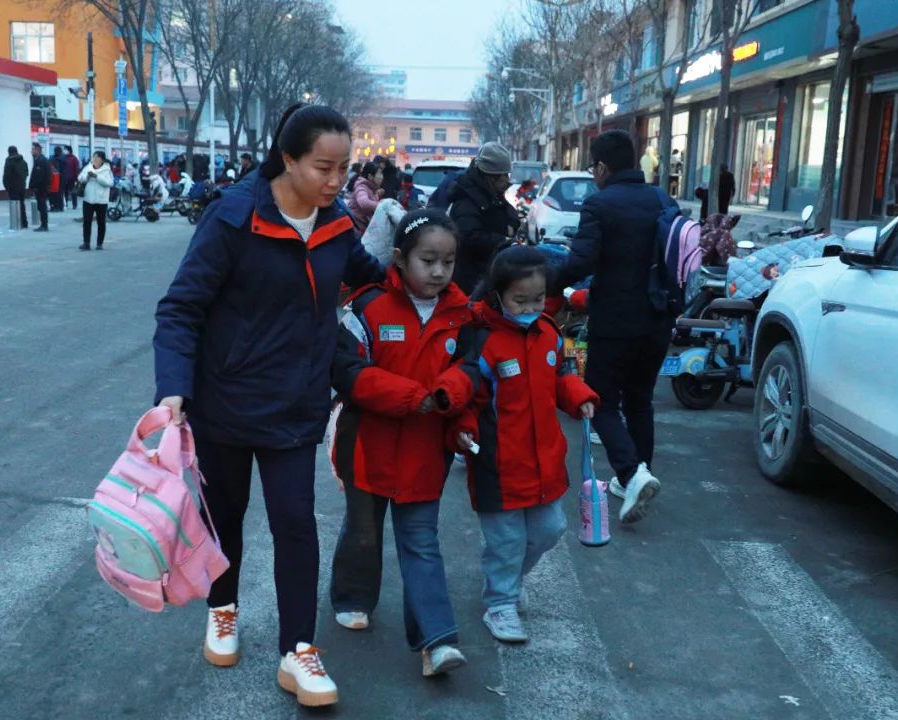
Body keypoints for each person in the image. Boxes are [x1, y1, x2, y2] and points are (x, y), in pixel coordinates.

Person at [153, 102, 383, 709]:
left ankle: (298, 650)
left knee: (295, 522)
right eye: (323, 168)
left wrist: (437, 281)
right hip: (226, 402)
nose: (335, 182)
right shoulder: (233, 219)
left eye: (344, 169)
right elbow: (181, 308)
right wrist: (173, 387)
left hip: (296, 404)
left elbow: (371, 276)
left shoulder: (335, 223)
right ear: (289, 160)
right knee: (225, 517)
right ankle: (222, 610)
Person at [330, 208, 474, 677]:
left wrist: (453, 398)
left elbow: (473, 371)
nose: (438, 272)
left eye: (447, 262)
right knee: (362, 530)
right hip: (366, 447)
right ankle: (353, 595)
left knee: (421, 543)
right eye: (427, 260)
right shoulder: (368, 307)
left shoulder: (462, 314)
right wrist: (414, 397)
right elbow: (348, 372)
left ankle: (437, 639)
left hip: (424, 453)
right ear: (399, 258)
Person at [452, 246, 598, 642]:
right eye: (520, 300)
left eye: (538, 299)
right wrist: (461, 428)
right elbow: (468, 392)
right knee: (507, 540)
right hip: (497, 463)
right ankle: (500, 603)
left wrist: (579, 396)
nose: (531, 307)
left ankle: (508, 582)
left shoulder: (549, 332)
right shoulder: (482, 340)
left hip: (544, 458)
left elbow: (562, 376)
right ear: (497, 295)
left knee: (550, 529)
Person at [557, 129, 674, 524]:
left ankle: (630, 472)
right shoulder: (662, 199)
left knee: (602, 399)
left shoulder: (599, 204)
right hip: (658, 320)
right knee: (640, 399)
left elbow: (581, 263)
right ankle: (638, 475)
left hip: (615, 321)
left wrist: (545, 282)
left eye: (593, 168)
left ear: (603, 167)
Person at [448, 142, 519, 295]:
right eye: (504, 175)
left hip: (487, 272)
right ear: (491, 177)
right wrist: (503, 240)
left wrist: (512, 225)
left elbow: (508, 212)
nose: (507, 179)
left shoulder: (491, 193)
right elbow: (468, 237)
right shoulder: (466, 199)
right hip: (471, 280)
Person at [77, 151, 114, 251]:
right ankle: (86, 243)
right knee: (87, 222)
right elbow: (80, 178)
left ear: (102, 160)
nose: (95, 160)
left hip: (101, 200)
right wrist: (87, 176)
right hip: (88, 199)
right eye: (94, 158)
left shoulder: (107, 170)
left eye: (97, 158)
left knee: (101, 222)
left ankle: (99, 243)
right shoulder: (88, 167)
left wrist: (97, 177)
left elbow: (110, 183)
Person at [346, 161, 383, 235]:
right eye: (379, 174)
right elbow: (364, 203)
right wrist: (381, 206)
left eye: (382, 173)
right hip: (355, 229)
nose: (382, 177)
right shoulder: (361, 187)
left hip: (364, 229)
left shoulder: (373, 188)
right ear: (370, 176)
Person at [3, 146, 29, 229]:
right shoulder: (24, 162)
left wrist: (7, 186)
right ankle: (24, 222)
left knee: (14, 205)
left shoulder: (9, 162)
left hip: (12, 188)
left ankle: (16, 223)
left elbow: (6, 176)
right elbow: (26, 173)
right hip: (22, 186)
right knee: (22, 204)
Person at [28, 142, 51, 232]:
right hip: (41, 187)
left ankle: (44, 225)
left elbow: (40, 176)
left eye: (33, 149)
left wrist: (35, 186)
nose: (31, 151)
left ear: (37, 150)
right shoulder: (39, 159)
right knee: (41, 206)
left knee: (42, 207)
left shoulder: (41, 160)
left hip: (41, 188)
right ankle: (43, 224)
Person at [50, 146, 66, 212]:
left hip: (60, 178)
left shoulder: (61, 159)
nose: (55, 152)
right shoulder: (55, 158)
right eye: (55, 150)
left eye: (56, 151)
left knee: (59, 193)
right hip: (56, 177)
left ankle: (59, 207)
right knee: (55, 193)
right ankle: (55, 206)